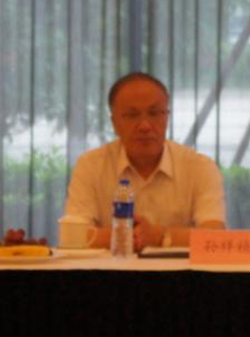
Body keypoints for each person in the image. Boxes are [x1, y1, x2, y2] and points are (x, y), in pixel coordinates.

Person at [64, 72, 226, 250]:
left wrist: (159, 236)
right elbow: (74, 236)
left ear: (167, 117)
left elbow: (215, 236)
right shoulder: (90, 165)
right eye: (132, 115)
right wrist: (127, 235)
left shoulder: (200, 167)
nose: (145, 126)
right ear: (114, 123)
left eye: (155, 113)